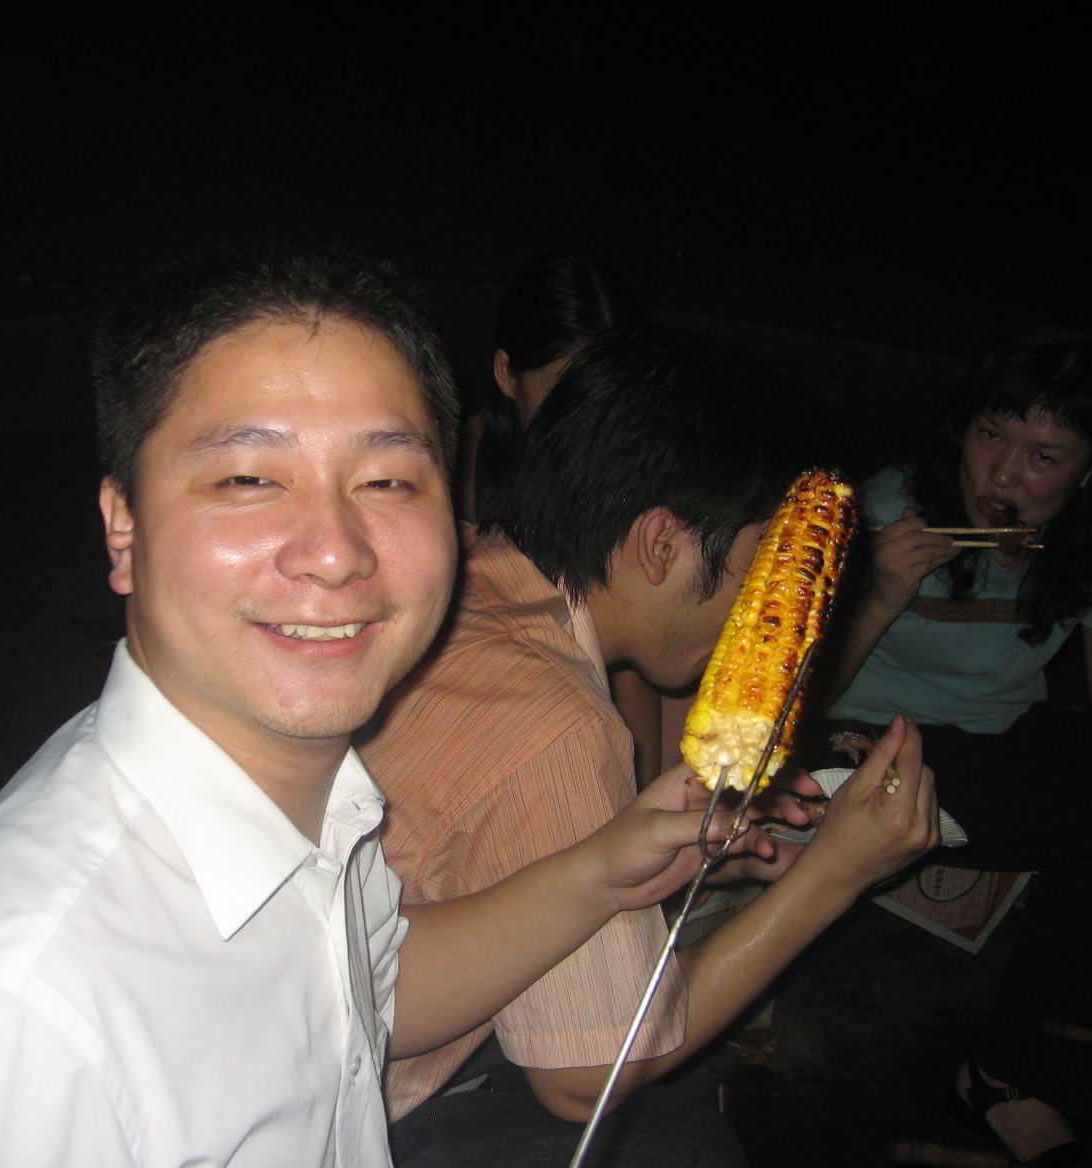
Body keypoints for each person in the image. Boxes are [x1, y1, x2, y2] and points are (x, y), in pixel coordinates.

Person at [0, 246, 809, 1167]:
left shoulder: (307, 809)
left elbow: (362, 988)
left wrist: (601, 868)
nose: (335, 552)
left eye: (388, 482)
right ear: (123, 527)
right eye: (249, 480)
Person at [359, 325, 942, 1167]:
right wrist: (836, 874)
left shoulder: (466, 567)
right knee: (688, 1146)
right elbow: (586, 1078)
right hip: (354, 1102)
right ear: (662, 543)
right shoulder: (558, 721)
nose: (776, 609)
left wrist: (675, 860)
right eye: (765, 567)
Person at [821, 328, 1092, 1166]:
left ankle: (1073, 1060)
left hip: (994, 735)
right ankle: (1010, 1084)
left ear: (1088, 473)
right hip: (859, 735)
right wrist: (878, 592)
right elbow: (797, 694)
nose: (1002, 476)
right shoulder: (890, 507)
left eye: (1042, 456)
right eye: (991, 435)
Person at [468, 249, 663, 782]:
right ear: (507, 374)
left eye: (609, 389)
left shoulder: (626, 475)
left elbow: (631, 659)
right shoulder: (453, 468)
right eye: (563, 387)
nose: (590, 415)